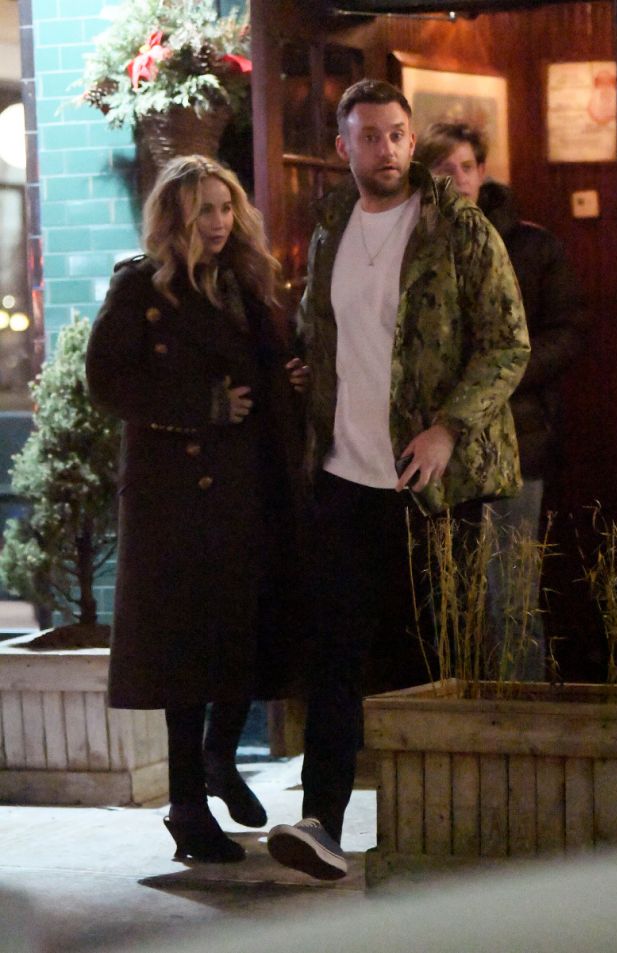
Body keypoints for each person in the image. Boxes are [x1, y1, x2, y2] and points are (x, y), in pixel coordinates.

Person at [266, 79, 530, 881]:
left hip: (431, 479)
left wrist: (449, 426)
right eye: (367, 136)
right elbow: (324, 326)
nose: (383, 149)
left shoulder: (456, 226)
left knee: (436, 652)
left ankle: (452, 832)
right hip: (343, 471)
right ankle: (322, 821)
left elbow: (508, 344)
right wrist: (309, 370)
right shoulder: (331, 226)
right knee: (335, 652)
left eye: (394, 134)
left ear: (411, 141)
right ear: (342, 146)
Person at [86, 155, 304, 863]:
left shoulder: (245, 279)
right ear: (174, 217)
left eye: (226, 207)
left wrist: (288, 378)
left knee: (244, 633)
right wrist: (200, 406)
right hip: (177, 497)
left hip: (248, 485)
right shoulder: (140, 286)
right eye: (203, 209)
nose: (218, 222)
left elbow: (259, 369)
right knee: (185, 655)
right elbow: (106, 381)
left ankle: (219, 757)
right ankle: (186, 804)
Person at [417, 121, 587, 679]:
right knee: (450, 592)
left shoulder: (531, 246)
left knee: (511, 593)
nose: (459, 178)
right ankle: (461, 710)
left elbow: (567, 331)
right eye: (445, 169)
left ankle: (520, 713)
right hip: (434, 441)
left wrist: (499, 378)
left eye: (467, 167)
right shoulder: (417, 243)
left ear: (483, 171)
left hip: (517, 434)